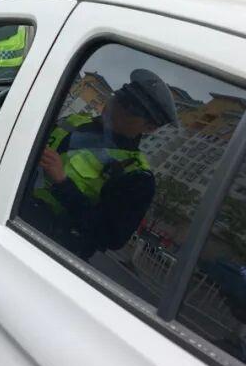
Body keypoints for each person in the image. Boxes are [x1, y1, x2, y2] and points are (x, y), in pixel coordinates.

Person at [24, 70, 178, 259]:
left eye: (132, 108)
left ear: (150, 127)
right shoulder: (73, 121)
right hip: (8, 209)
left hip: (47, 249)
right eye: (121, 96)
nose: (118, 106)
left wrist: (63, 184)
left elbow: (111, 236)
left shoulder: (136, 175)